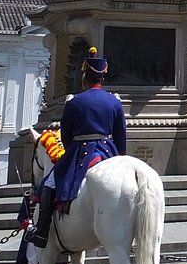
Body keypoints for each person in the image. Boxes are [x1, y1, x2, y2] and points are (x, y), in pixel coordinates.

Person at [30, 47, 127, 248]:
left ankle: (42, 231)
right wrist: (119, 156)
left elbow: (66, 135)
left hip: (80, 150)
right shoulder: (115, 102)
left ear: (86, 77)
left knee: (49, 182)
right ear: (102, 77)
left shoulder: (75, 102)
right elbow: (121, 136)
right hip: (109, 150)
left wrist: (69, 154)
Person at [15, 187, 43, 264]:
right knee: (32, 259)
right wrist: (27, 224)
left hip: (42, 231)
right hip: (31, 233)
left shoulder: (46, 193)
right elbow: (21, 216)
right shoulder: (27, 197)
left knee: (42, 259)